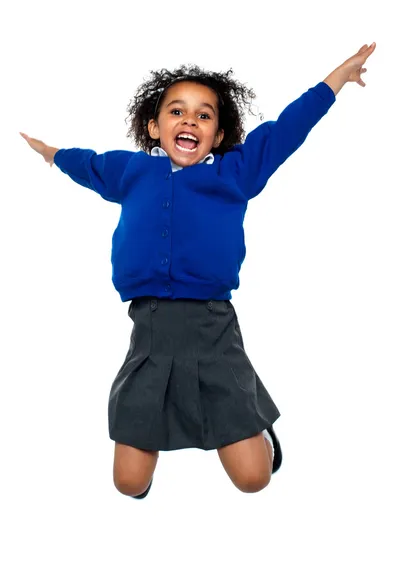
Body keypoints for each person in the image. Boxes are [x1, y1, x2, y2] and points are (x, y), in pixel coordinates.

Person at [20, 42, 376, 500]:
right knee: (128, 483)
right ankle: (152, 447)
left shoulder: (235, 173)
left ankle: (257, 431)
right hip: (149, 332)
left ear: (219, 134)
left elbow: (288, 129)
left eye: (204, 115)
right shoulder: (129, 171)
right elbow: (85, 164)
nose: (190, 120)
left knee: (254, 480)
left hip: (212, 330)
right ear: (153, 126)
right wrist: (51, 152)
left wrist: (336, 80)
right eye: (177, 111)